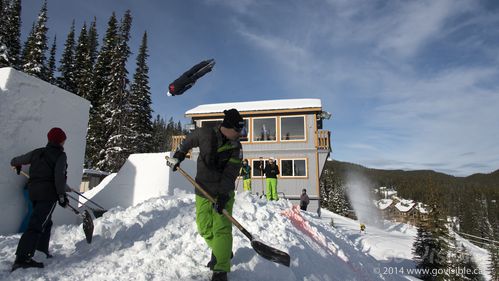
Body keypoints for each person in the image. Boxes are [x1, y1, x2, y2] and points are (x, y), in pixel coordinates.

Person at [167, 109, 244, 281]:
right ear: (228, 127)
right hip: (202, 188)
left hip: (223, 192)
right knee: (203, 227)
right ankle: (222, 251)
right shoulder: (205, 133)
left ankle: (221, 269)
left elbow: (230, 174)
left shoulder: (236, 147)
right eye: (238, 130)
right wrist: (179, 155)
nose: (240, 134)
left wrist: (223, 196)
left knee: (222, 228)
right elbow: (187, 141)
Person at [10, 127, 70, 272]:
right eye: (63, 140)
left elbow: (15, 161)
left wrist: (18, 165)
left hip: (34, 192)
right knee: (37, 224)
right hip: (48, 195)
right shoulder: (60, 156)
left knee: (45, 222)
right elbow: (59, 177)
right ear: (61, 141)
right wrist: (62, 196)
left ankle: (41, 250)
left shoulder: (38, 152)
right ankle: (22, 258)